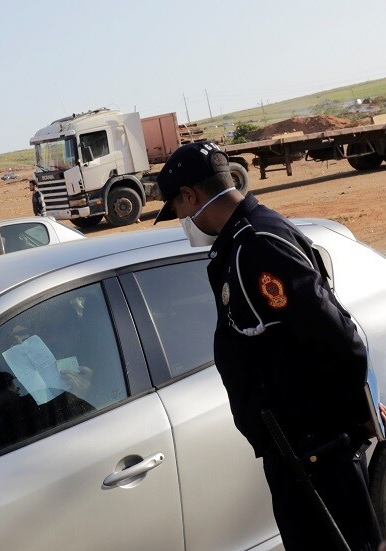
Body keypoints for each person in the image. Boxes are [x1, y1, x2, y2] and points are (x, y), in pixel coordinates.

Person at [154, 142, 382, 551]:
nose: (182, 221)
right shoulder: (242, 241)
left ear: (191, 195)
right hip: (298, 450)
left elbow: (334, 334)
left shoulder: (256, 244)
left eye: (178, 209)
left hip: (316, 450)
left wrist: (356, 411)